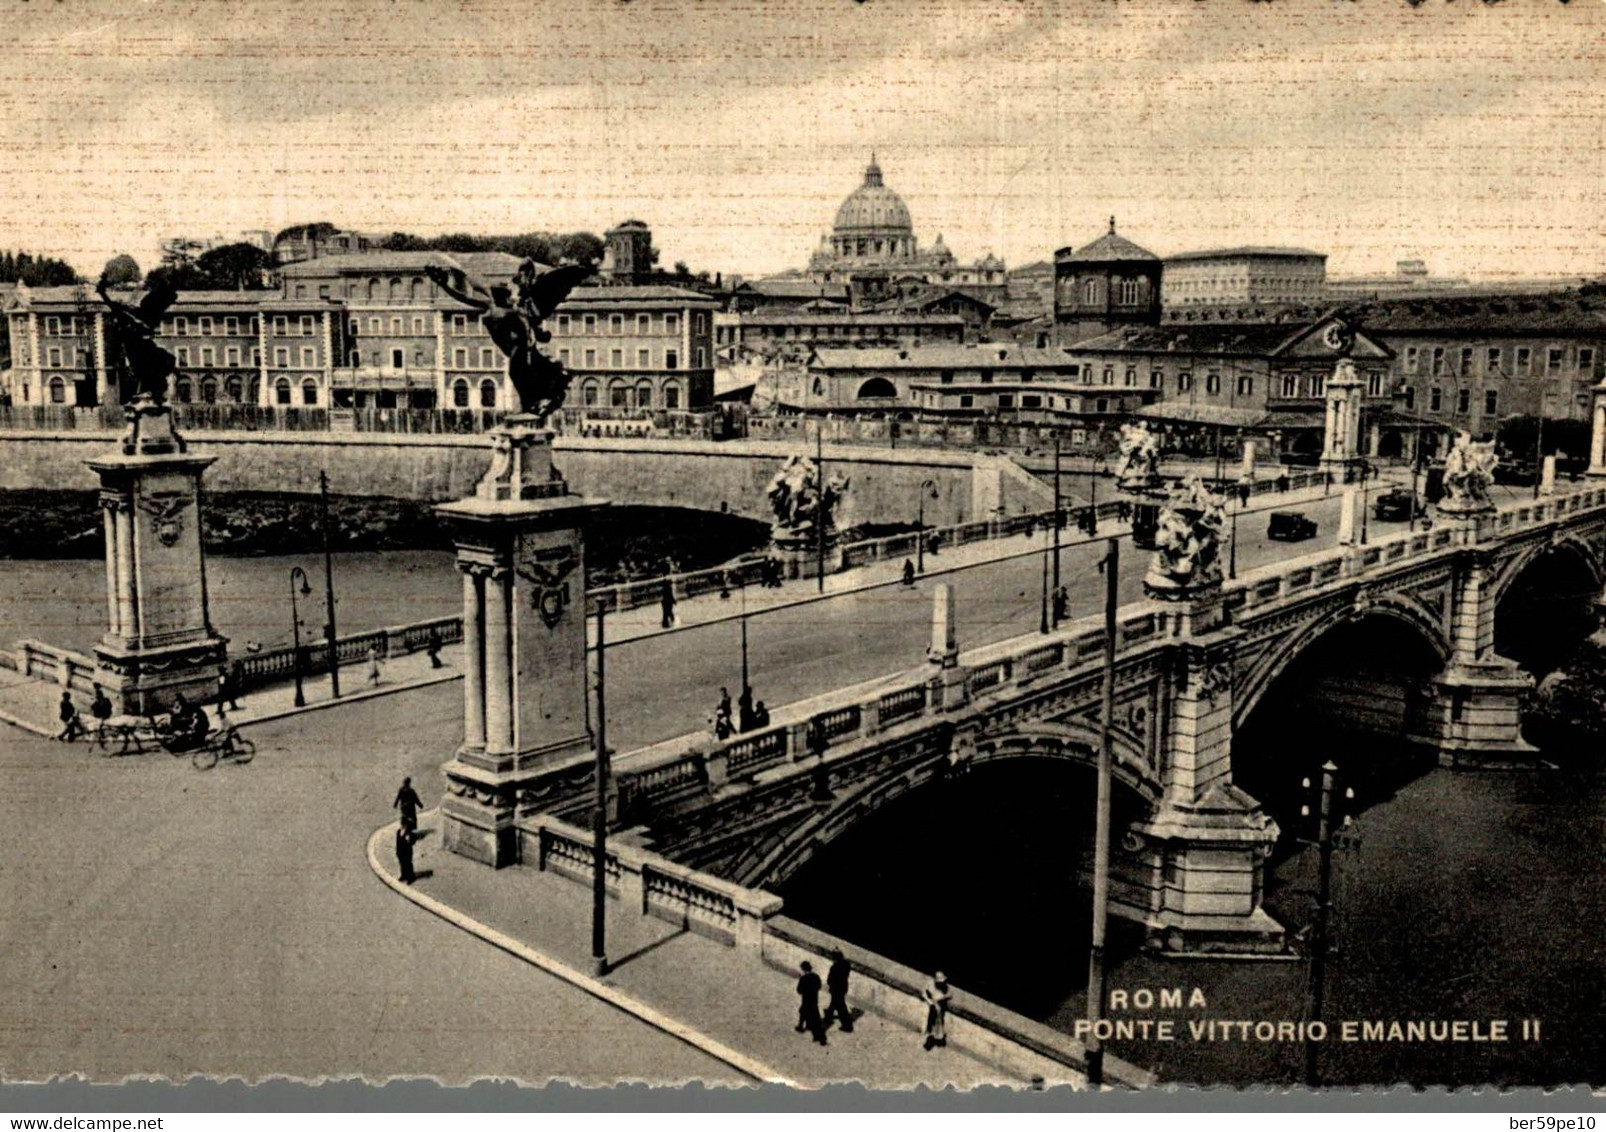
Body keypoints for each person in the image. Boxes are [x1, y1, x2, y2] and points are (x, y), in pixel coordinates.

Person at [794, 960, 827, 1045]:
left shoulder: (803, 978)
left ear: (803, 969)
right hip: (814, 1000)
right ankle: (802, 1027)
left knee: (803, 1012)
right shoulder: (816, 977)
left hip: (806, 1000)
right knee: (813, 1015)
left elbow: (799, 990)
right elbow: (819, 986)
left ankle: (817, 1036)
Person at [823, 949, 854, 1034]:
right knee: (835, 1003)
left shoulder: (834, 967)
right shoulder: (846, 964)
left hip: (836, 989)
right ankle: (829, 1015)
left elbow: (830, 979)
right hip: (843, 987)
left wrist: (830, 984)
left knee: (840, 1006)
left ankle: (847, 1025)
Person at [921, 971, 952, 1051]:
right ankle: (930, 1034)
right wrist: (930, 1002)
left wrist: (942, 998)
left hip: (939, 1009)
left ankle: (937, 1037)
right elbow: (924, 993)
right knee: (930, 1021)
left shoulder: (945, 989)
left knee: (938, 1023)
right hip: (932, 1007)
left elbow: (950, 995)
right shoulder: (931, 985)